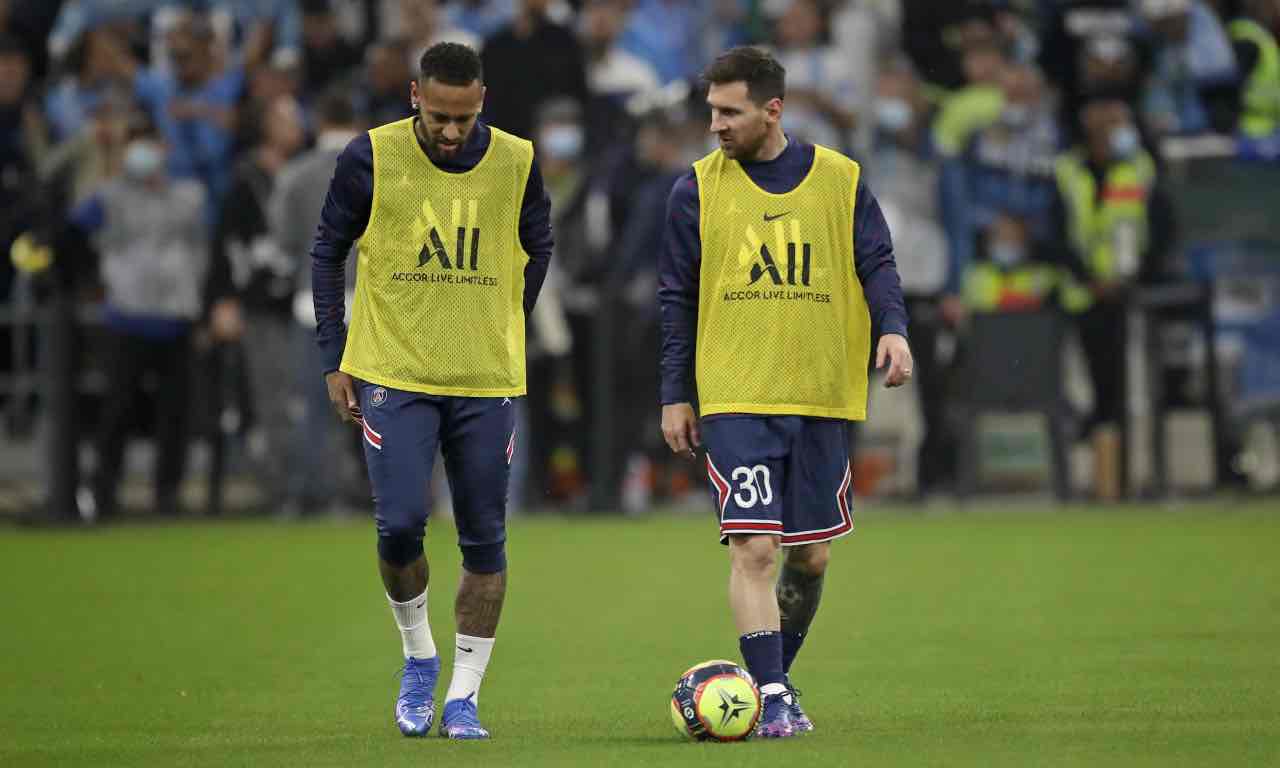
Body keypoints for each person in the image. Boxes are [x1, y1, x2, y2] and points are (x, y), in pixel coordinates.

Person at [658, 46, 912, 739]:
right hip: (736, 394)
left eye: (729, 112)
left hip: (822, 392)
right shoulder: (695, 190)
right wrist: (674, 393)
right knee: (756, 550)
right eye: (710, 111)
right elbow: (676, 299)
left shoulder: (840, 179)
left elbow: (878, 263)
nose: (715, 125)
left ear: (772, 111)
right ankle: (769, 693)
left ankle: (774, 679)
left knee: (812, 554)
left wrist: (893, 330)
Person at [310, 42, 552, 740]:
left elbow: (539, 243)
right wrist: (336, 356)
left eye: (465, 118)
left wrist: (509, 318)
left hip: (485, 379)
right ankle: (419, 656)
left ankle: (463, 698)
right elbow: (327, 251)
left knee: (484, 539)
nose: (452, 132)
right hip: (394, 373)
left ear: (482, 102)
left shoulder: (517, 160)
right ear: (416, 96)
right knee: (399, 525)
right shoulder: (370, 157)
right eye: (441, 116)